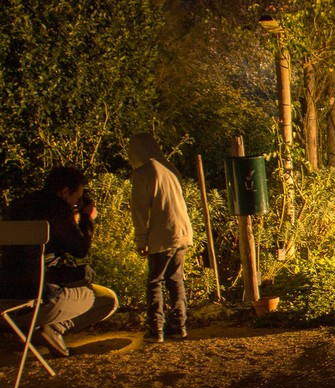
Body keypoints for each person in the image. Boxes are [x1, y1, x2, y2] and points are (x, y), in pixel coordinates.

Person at [0, 167, 118, 356]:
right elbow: (80, 249)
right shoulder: (56, 208)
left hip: (5, 301)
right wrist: (86, 219)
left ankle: (36, 330)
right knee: (106, 299)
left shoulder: (16, 206)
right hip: (39, 299)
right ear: (65, 192)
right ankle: (53, 327)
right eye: (77, 197)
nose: (77, 202)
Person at [127, 134, 194, 344]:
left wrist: (141, 240)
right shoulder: (169, 168)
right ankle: (179, 325)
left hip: (162, 234)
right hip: (182, 231)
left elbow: (139, 211)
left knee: (155, 281)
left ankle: (156, 328)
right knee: (175, 278)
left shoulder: (143, 173)